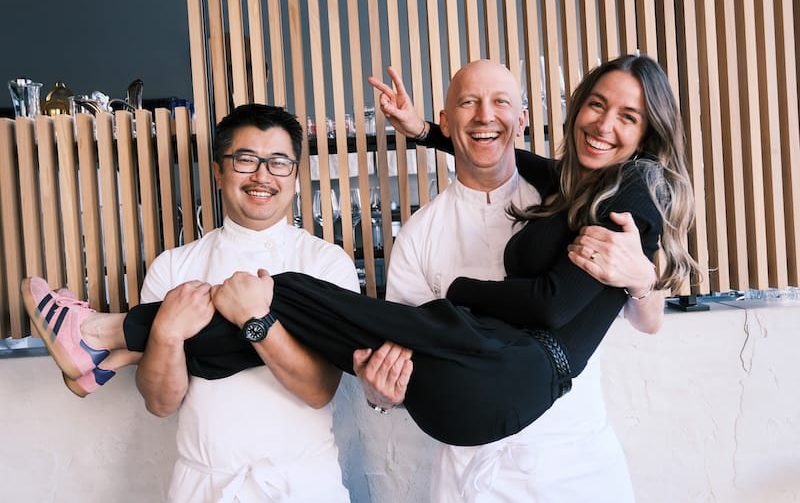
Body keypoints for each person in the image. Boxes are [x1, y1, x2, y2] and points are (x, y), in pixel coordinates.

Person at [22, 56, 690, 448]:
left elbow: (572, 310)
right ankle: (108, 349)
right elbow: (516, 159)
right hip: (477, 405)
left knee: (284, 291)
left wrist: (642, 279)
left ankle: (104, 330)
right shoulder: (572, 185)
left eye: (627, 116)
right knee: (289, 317)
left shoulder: (632, 194)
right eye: (597, 106)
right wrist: (427, 132)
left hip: (530, 400)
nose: (604, 124)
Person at [359, 56, 694, 501]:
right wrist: (379, 392)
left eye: (500, 103)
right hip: (469, 471)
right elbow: (405, 363)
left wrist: (642, 278)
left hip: (576, 464)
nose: (485, 116)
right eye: (469, 104)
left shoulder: (581, 198)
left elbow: (648, 321)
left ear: (522, 119)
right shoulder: (418, 236)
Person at [27, 104, 359, 501]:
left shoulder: (327, 264)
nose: (262, 176)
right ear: (218, 172)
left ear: (295, 177)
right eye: (245, 160)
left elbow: (319, 388)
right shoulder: (174, 266)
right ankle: (102, 342)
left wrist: (255, 320)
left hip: (302, 485)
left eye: (279, 163)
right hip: (204, 487)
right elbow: (161, 403)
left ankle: (99, 339)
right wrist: (166, 334)